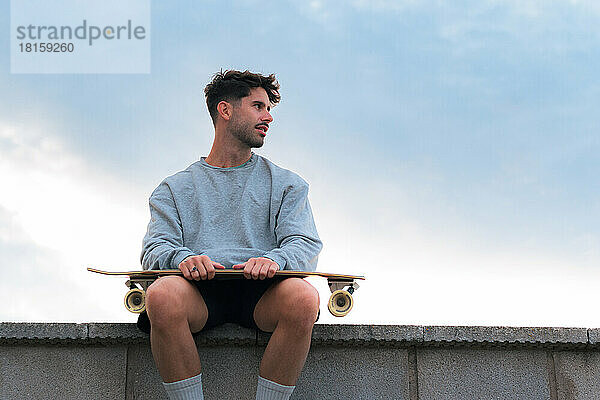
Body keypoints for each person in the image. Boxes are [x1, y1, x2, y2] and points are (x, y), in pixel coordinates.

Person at [138, 69, 323, 400]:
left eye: (269, 109)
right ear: (225, 110)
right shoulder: (173, 189)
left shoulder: (288, 184)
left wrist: (274, 259)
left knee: (304, 298)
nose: (268, 117)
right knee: (161, 296)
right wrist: (183, 258)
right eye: (257, 106)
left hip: (264, 293)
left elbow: (305, 244)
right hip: (196, 293)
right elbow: (155, 248)